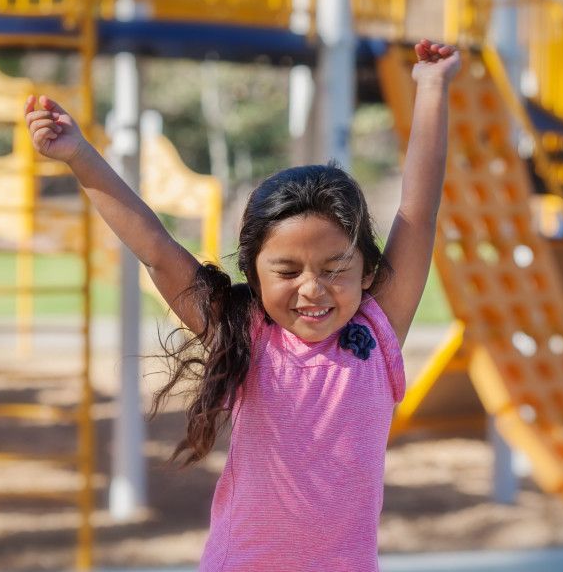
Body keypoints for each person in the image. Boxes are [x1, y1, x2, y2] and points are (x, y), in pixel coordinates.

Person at [25, 38, 460, 572]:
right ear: (253, 275)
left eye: (333, 269)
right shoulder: (245, 334)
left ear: (367, 270)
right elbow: (158, 252)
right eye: (286, 271)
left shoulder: (378, 327)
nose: (312, 289)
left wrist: (433, 86)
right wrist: (80, 155)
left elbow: (419, 208)